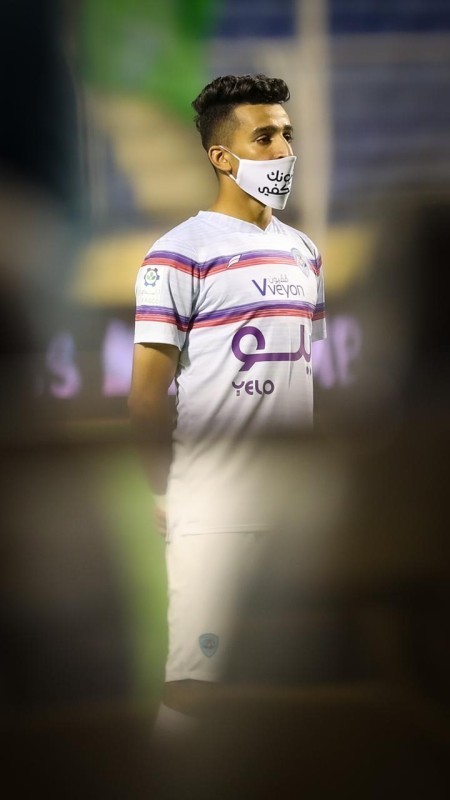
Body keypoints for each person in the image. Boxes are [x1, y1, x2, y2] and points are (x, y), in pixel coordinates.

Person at [128, 73, 326, 735]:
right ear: (222, 156)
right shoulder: (178, 254)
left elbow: (309, 378)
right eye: (264, 137)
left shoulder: (305, 253)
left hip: (297, 512)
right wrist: (163, 490)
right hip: (214, 505)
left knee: (291, 695)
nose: (284, 151)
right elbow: (146, 396)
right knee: (195, 690)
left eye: (287, 135)